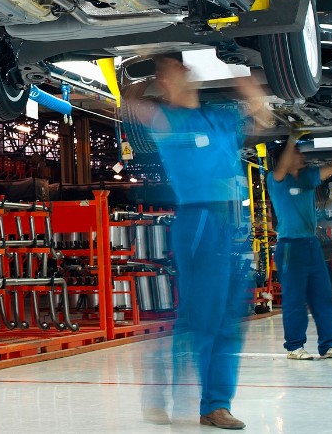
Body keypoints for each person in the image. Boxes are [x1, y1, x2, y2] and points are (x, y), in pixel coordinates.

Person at [127, 55, 274, 430]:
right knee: (198, 317)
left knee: (228, 320)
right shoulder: (166, 119)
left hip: (233, 224)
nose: (175, 76)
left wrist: (252, 91)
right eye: (167, 73)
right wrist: (148, 76)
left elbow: (263, 121)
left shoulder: (220, 117)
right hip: (199, 221)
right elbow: (127, 105)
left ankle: (216, 405)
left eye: (177, 68)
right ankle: (169, 395)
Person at [267, 135, 332, 360]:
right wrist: (291, 141)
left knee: (322, 297)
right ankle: (294, 347)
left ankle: (329, 346)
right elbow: (282, 166)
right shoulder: (275, 179)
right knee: (295, 299)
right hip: (290, 247)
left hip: (311, 245)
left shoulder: (307, 178)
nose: (301, 156)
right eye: (296, 153)